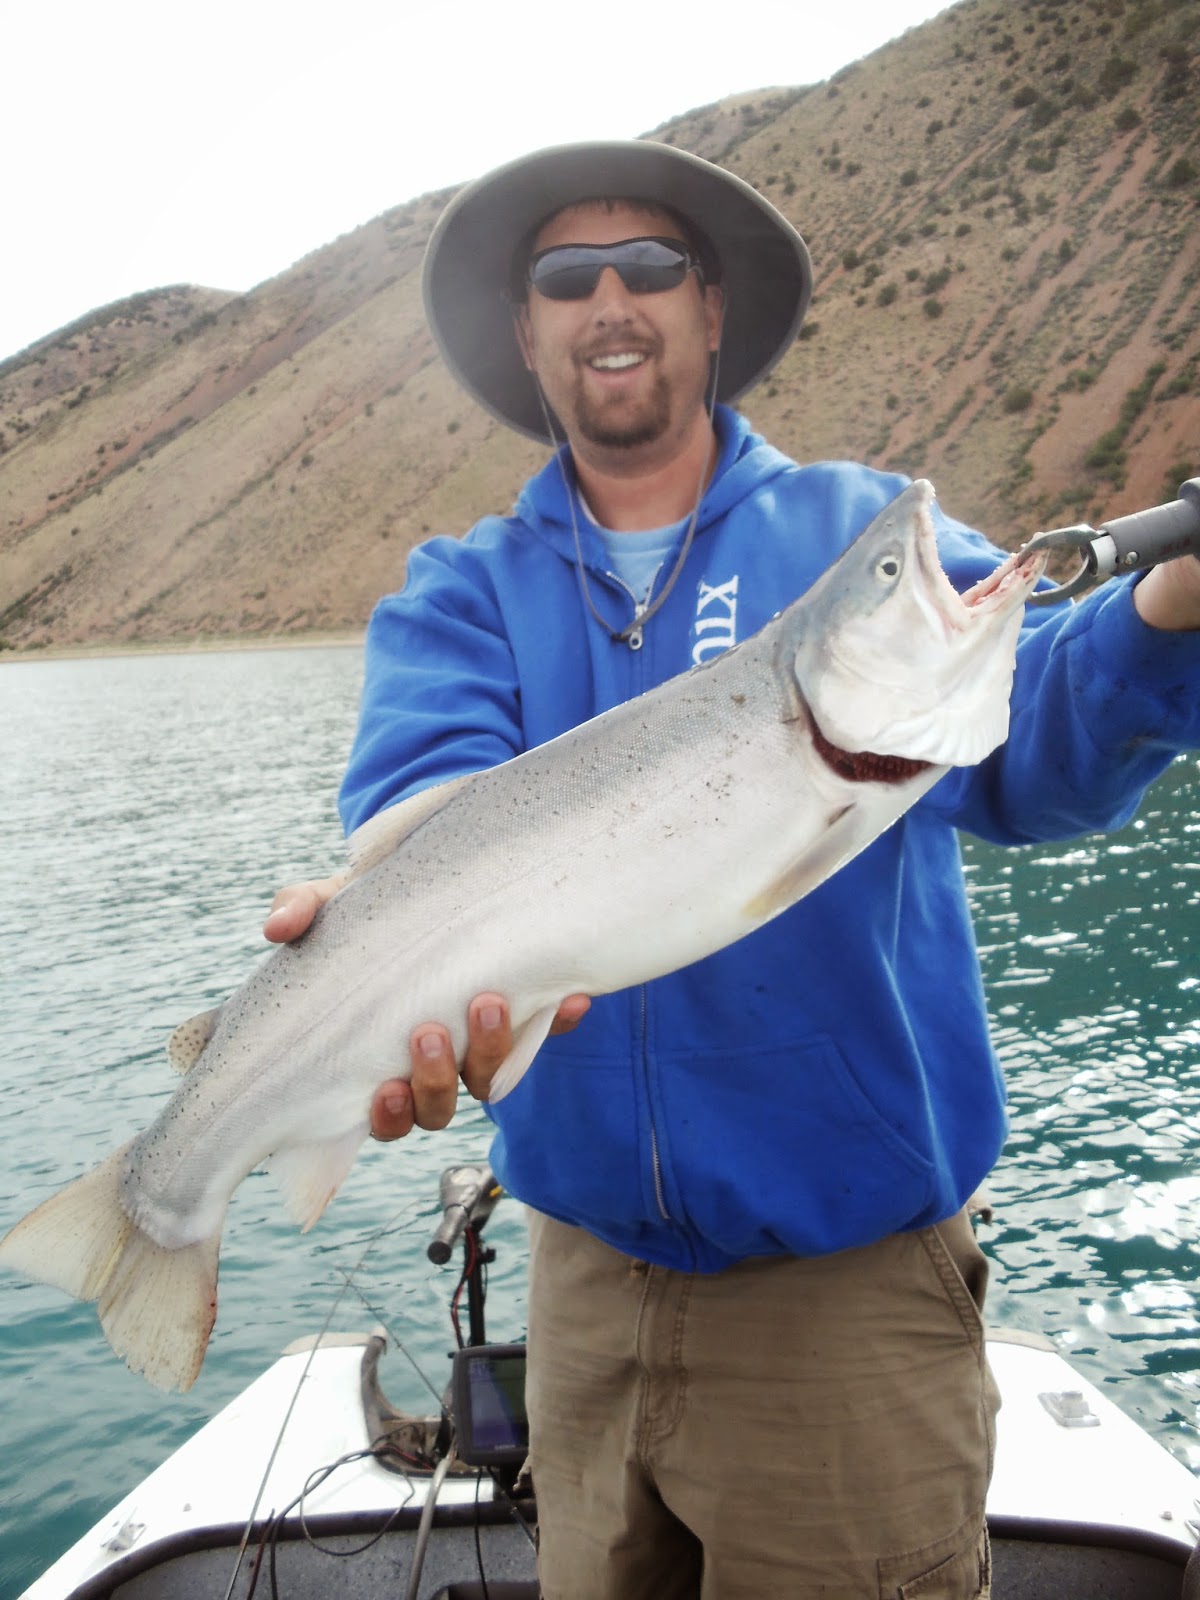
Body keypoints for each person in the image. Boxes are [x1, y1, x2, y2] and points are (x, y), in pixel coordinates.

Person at [265, 141, 1200, 1598]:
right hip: (584, 1291)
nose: (610, 299)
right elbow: (421, 807)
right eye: (567, 277)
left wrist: (1174, 598)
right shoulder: (461, 594)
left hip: (852, 1299)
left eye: (649, 267)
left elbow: (1042, 751)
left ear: (709, 310)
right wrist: (387, 964)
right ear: (528, 333)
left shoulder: (859, 536)